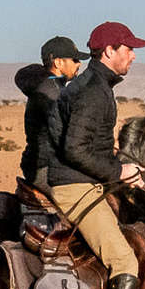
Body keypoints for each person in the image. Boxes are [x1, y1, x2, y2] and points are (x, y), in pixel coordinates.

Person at [44, 21, 145, 289]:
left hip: (85, 180)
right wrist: (117, 169)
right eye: (128, 48)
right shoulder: (94, 90)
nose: (133, 54)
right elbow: (75, 150)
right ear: (108, 51)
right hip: (74, 187)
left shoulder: (96, 86)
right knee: (124, 259)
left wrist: (122, 170)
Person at [16, 35, 88, 190]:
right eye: (75, 60)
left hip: (46, 164)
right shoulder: (52, 91)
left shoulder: (51, 87)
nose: (79, 64)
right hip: (46, 168)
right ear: (58, 62)